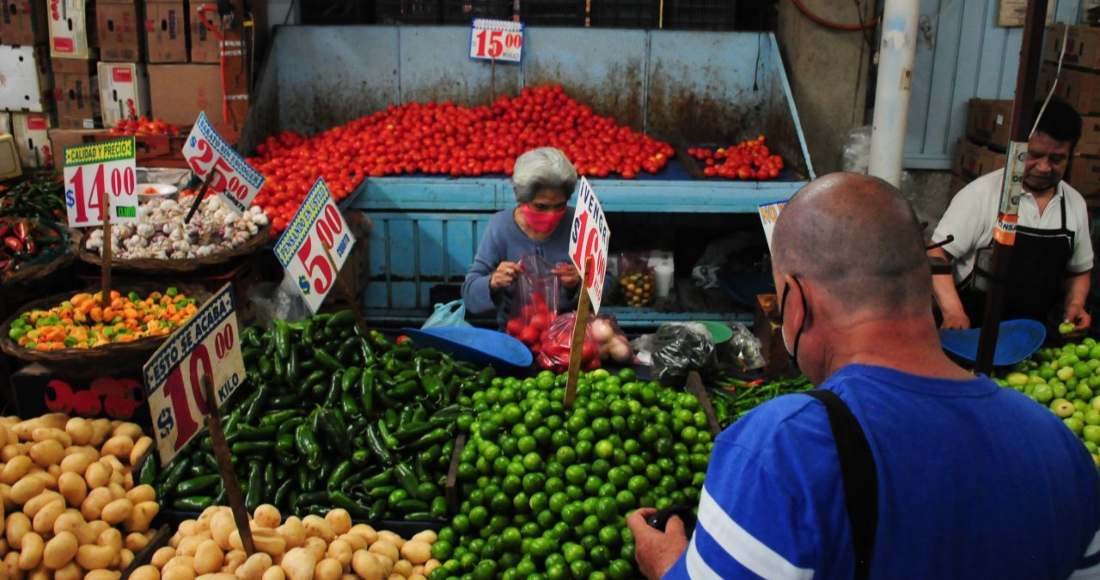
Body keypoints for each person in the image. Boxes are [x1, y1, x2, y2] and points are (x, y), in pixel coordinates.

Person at [627, 173, 1100, 580]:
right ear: (921, 283)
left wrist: (668, 566)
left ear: (795, 299)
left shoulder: (783, 448)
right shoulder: (1062, 450)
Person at [929, 97, 1093, 330]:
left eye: (1057, 159)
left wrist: (1076, 304)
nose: (1044, 167)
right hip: (971, 331)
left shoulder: (1074, 204)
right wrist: (953, 312)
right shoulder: (981, 195)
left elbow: (1079, 271)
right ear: (1016, 148)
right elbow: (937, 255)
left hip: (1032, 336)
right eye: (1034, 155)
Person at [462, 148, 582, 330]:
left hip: (569, 334)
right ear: (519, 196)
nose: (551, 214)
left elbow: (605, 282)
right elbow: (470, 294)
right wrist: (493, 282)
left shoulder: (579, 224)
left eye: (560, 206)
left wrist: (580, 282)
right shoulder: (501, 226)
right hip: (516, 334)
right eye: (541, 206)